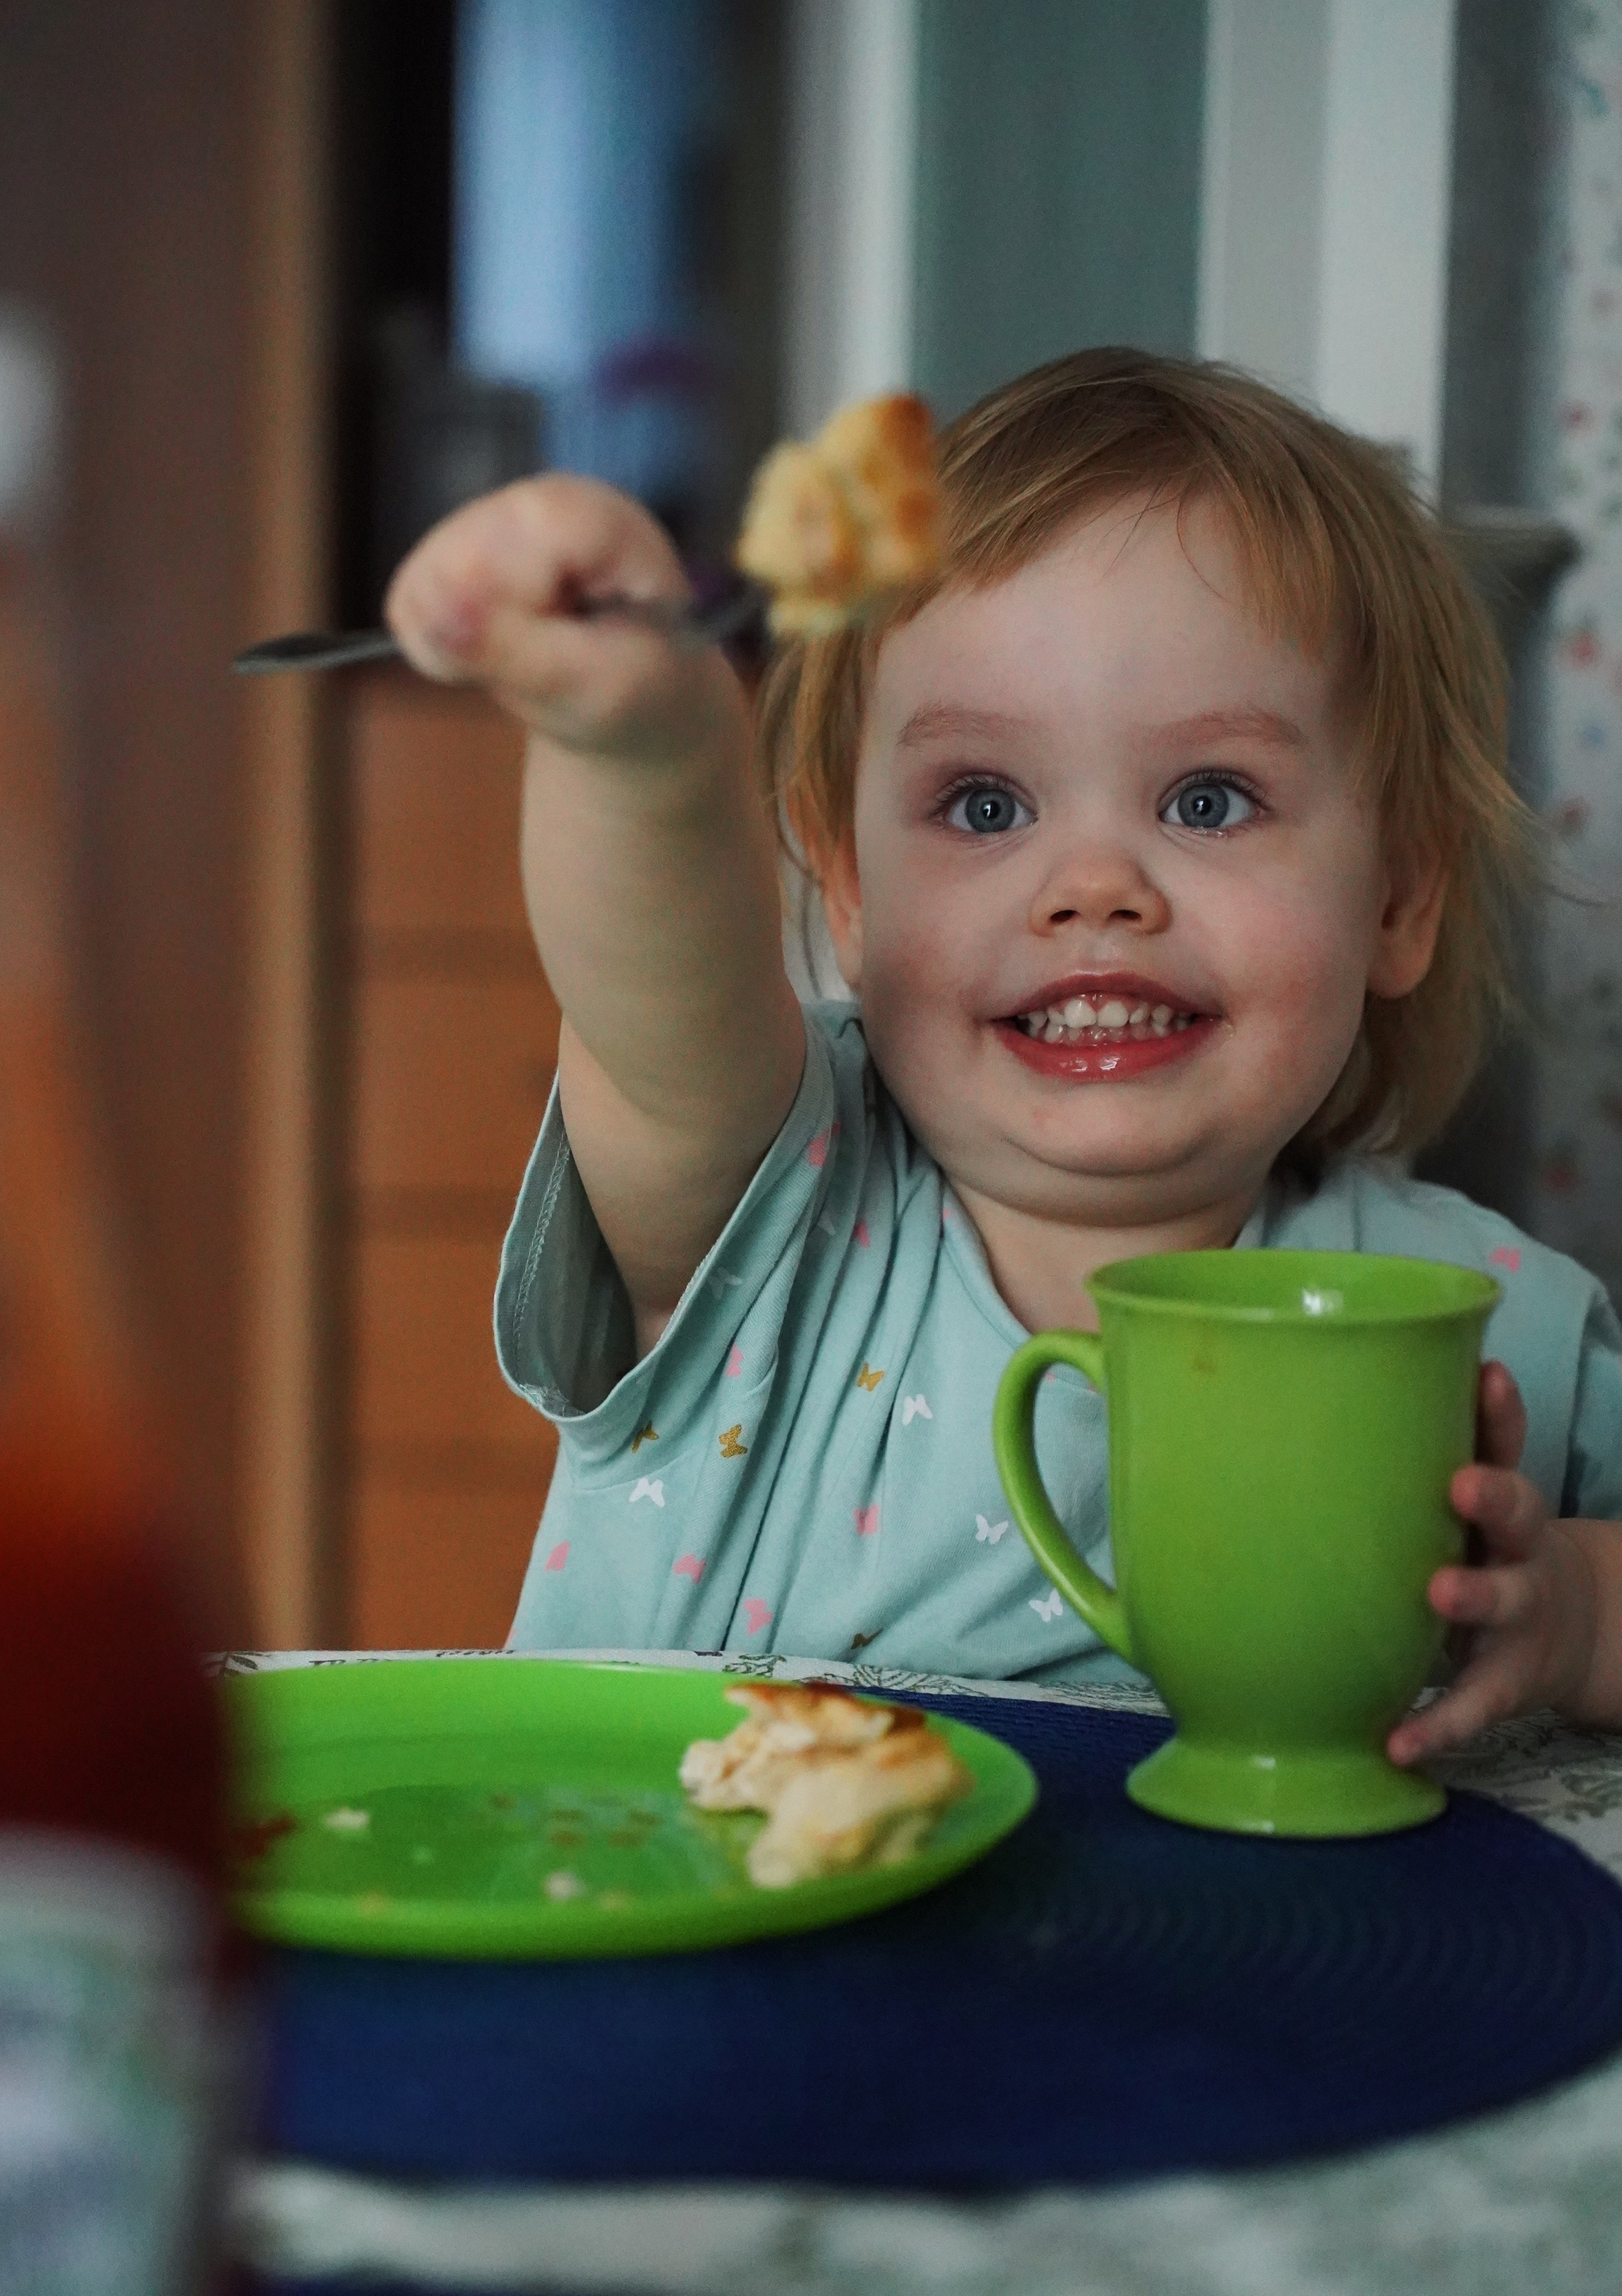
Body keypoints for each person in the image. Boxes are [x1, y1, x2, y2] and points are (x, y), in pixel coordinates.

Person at [384, 347, 1622, 1763]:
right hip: (718, 1980)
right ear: (845, 890)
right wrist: (644, 745)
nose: (1092, 886)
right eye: (981, 805)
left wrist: (1576, 1612)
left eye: (1208, 799)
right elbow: (657, 1002)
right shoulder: (774, 1211)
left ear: (1397, 896)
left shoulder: (1500, 1325)